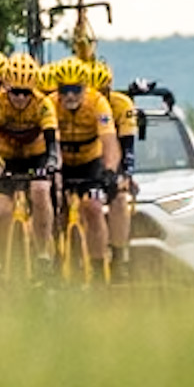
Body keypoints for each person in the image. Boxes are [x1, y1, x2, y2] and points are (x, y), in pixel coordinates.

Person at [51, 55, 119, 274]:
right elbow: (46, 142)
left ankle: (98, 267)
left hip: (90, 163)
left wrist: (110, 170)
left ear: (84, 88)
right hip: (62, 161)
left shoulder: (98, 103)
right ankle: (54, 259)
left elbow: (109, 141)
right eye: (64, 90)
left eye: (75, 89)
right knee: (53, 209)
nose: (70, 95)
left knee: (94, 208)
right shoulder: (50, 104)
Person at [0, 52, 58, 268]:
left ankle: (43, 252)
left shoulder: (43, 104)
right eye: (15, 92)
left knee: (40, 190)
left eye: (26, 93)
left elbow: (51, 138)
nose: (20, 98)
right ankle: (1, 257)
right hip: (6, 156)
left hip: (36, 156)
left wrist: (52, 161)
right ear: (6, 88)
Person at [92, 59, 136, 281]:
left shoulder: (122, 105)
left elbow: (128, 148)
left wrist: (125, 175)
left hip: (112, 159)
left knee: (119, 198)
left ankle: (120, 257)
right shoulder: (80, 106)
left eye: (103, 91)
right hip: (88, 158)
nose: (98, 97)